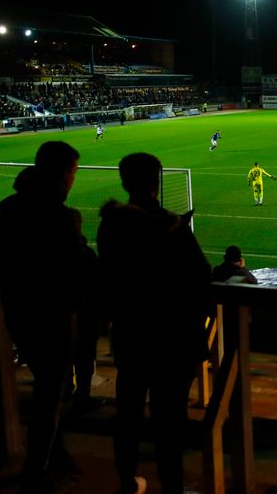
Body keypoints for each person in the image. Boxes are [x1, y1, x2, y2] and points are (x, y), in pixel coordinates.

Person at [0, 141, 95, 491]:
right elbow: (82, 267)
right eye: (73, 171)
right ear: (62, 173)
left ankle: (53, 456)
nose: (74, 179)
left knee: (48, 389)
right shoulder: (60, 217)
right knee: (50, 393)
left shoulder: (6, 209)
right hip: (54, 315)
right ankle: (37, 470)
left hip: (17, 311)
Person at [98, 152, 211, 494]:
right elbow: (201, 275)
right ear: (157, 181)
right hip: (170, 339)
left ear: (123, 181)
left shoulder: (110, 225)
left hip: (131, 334)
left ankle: (126, 480)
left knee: (129, 411)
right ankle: (172, 484)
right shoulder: (170, 227)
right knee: (170, 417)